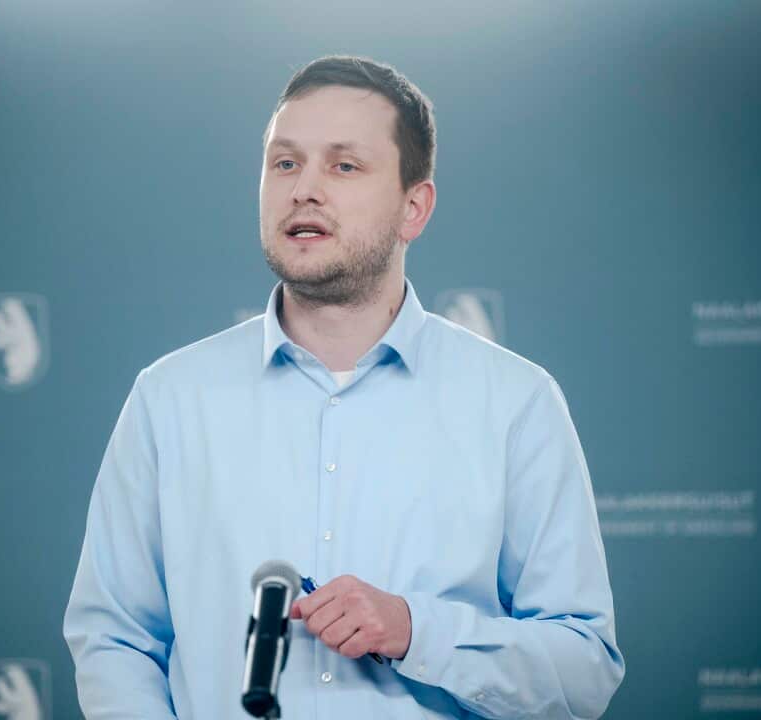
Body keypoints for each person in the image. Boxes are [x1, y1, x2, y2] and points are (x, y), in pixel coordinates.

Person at [64, 55, 624, 719]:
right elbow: (115, 639)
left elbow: (584, 670)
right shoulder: (170, 398)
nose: (304, 189)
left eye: (344, 165)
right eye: (285, 163)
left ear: (413, 208)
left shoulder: (515, 403)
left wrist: (417, 631)